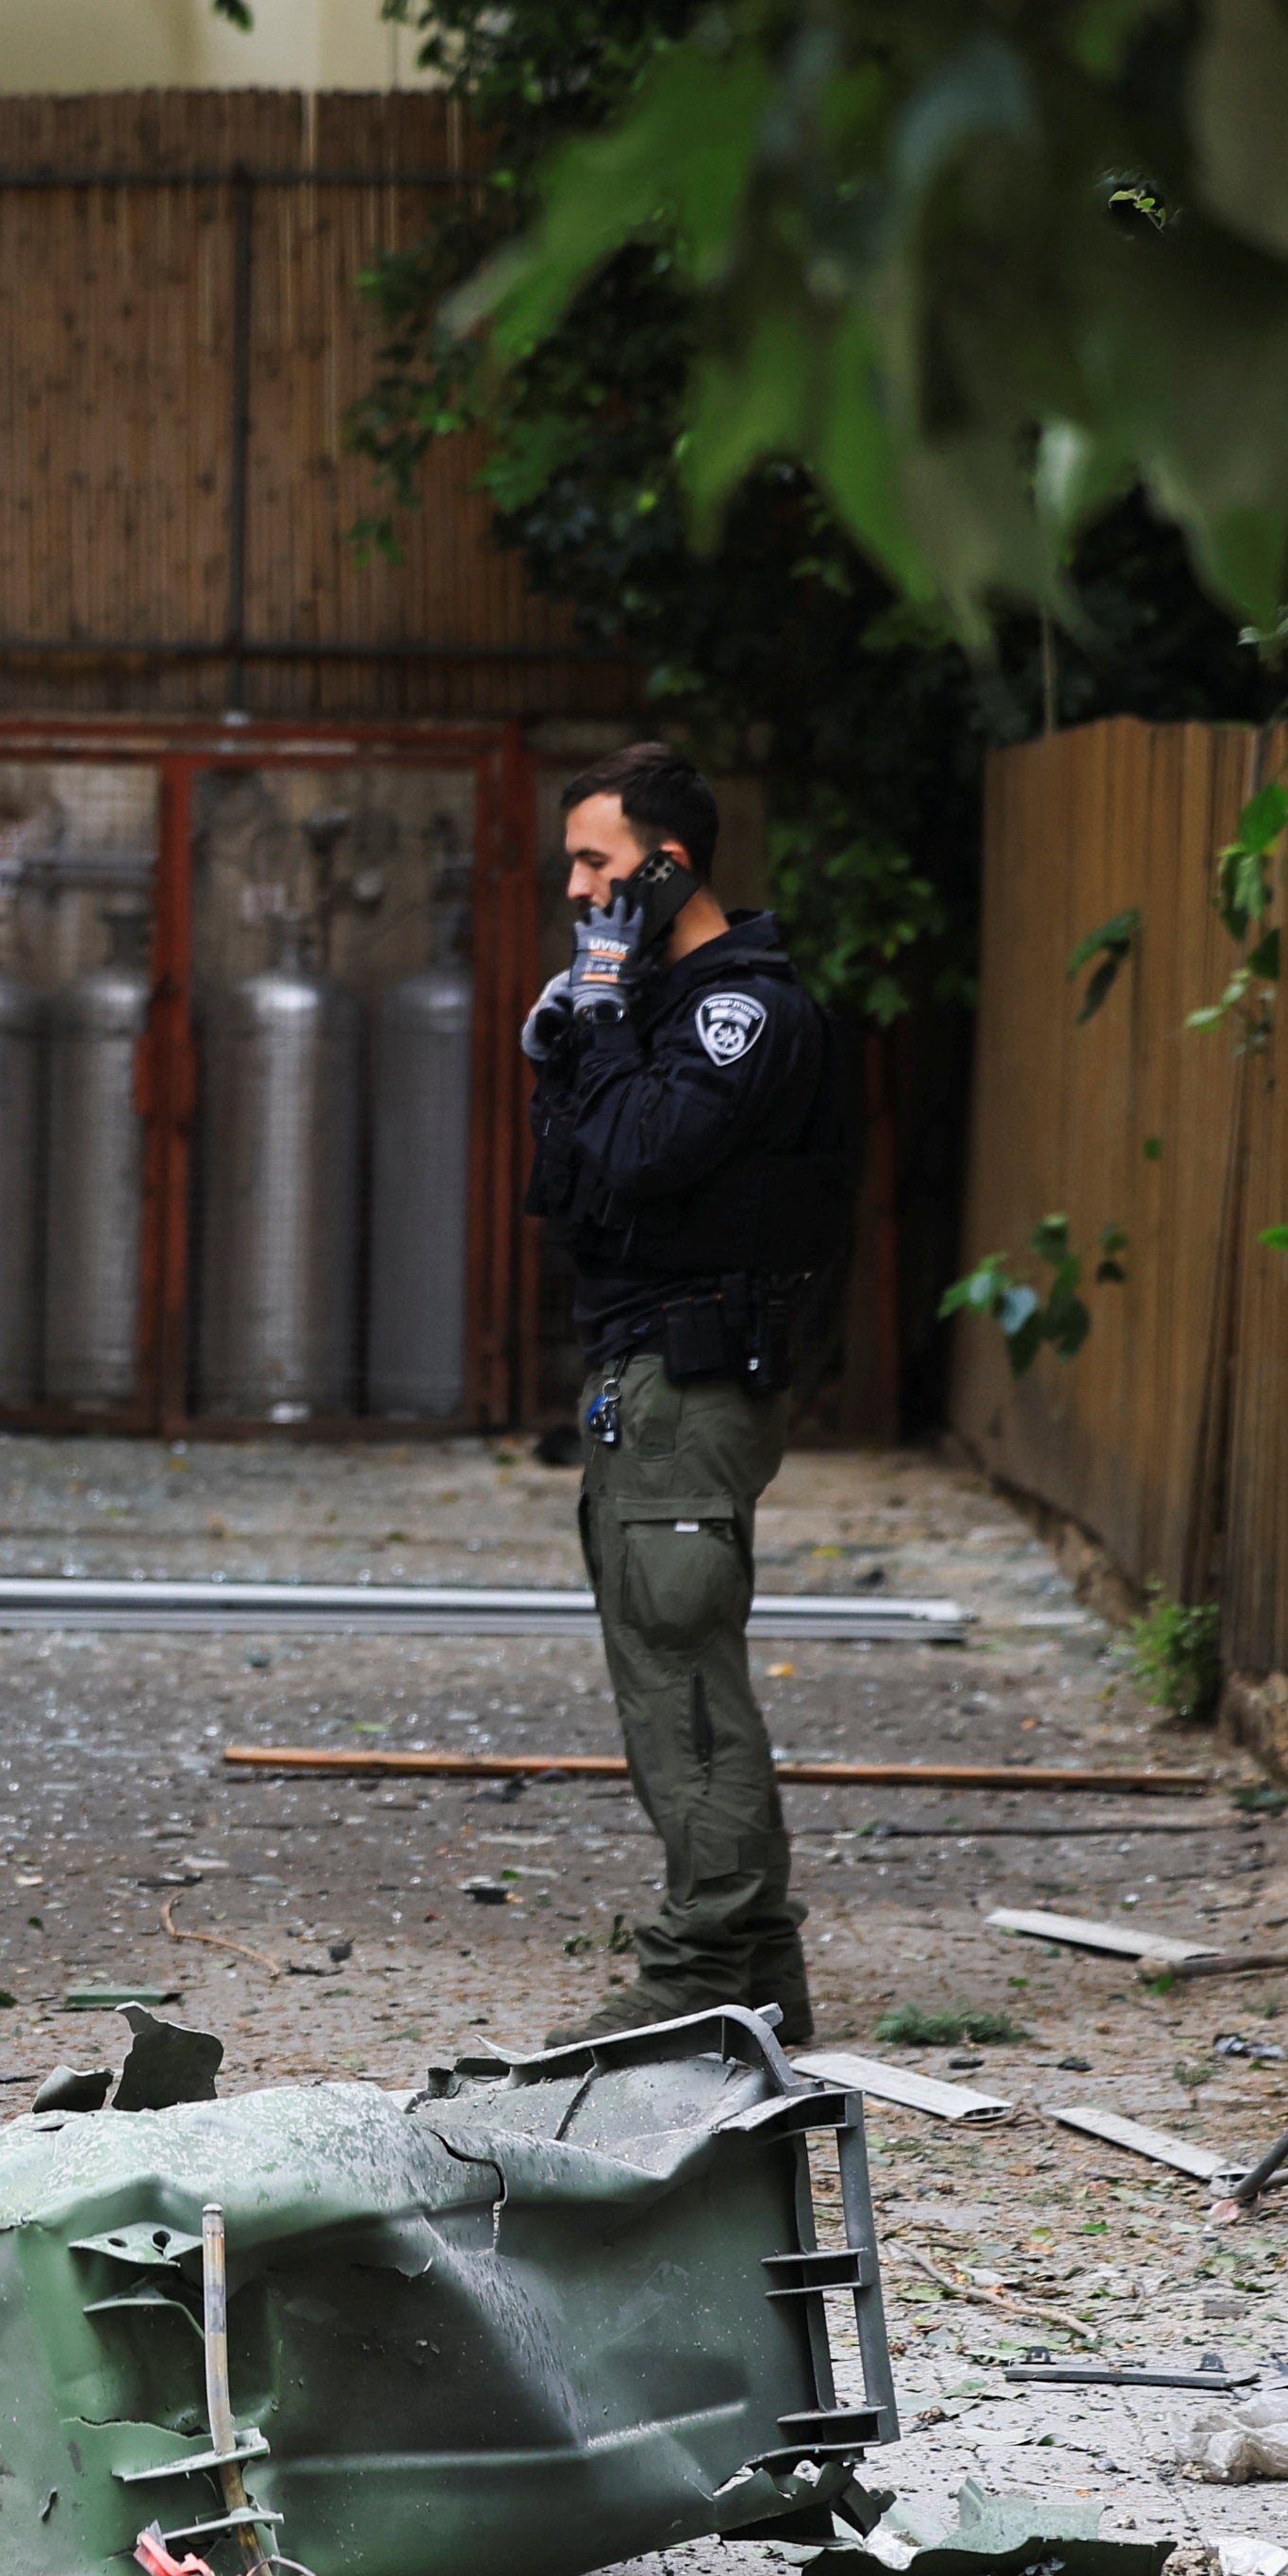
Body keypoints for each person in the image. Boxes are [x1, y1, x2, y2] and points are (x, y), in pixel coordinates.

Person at [516, 742, 862, 2050]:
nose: (578, 891)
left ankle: (707, 1958)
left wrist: (603, 1021)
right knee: (662, 1664)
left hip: (695, 1371)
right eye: (571, 865)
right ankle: (758, 1961)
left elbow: (651, 1154)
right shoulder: (657, 1006)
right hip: (642, 1372)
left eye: (597, 864)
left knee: (683, 1676)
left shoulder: (743, 1010)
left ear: (667, 868)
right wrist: (579, 1036)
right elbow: (574, 1179)